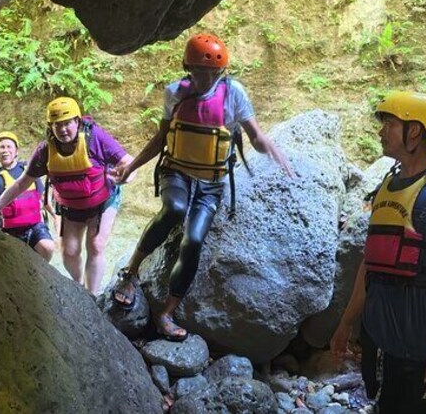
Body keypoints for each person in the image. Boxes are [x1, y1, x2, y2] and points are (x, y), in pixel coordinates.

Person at [110, 33, 293, 341]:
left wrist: (272, 149)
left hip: (211, 182)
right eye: (199, 72)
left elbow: (255, 136)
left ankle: (167, 312)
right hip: (176, 172)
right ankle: (130, 273)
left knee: (193, 239)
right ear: (187, 68)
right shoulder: (175, 93)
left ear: (221, 73)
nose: (206, 78)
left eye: (212, 73)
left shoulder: (234, 94)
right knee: (174, 209)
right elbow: (161, 138)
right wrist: (131, 167)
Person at [330, 91, 426, 414]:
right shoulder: (386, 186)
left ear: (415, 131)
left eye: (390, 124)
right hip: (380, 340)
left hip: (422, 339)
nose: (381, 131)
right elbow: (370, 263)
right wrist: (345, 324)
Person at [0, 97, 133, 294]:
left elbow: (128, 162)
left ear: (77, 121)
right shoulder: (45, 150)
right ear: (50, 126)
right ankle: (80, 287)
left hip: (102, 201)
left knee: (95, 244)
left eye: (67, 123)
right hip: (69, 207)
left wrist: (125, 177)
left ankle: (92, 295)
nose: (63, 129)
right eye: (56, 125)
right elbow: (21, 184)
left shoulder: (95, 137)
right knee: (69, 252)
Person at [0, 131, 57, 261]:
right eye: (1, 147)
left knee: (48, 247)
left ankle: (42, 272)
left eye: (9, 147)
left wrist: (55, 216)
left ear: (16, 151)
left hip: (35, 226)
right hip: (9, 230)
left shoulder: (29, 170)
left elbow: (43, 197)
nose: (5, 150)